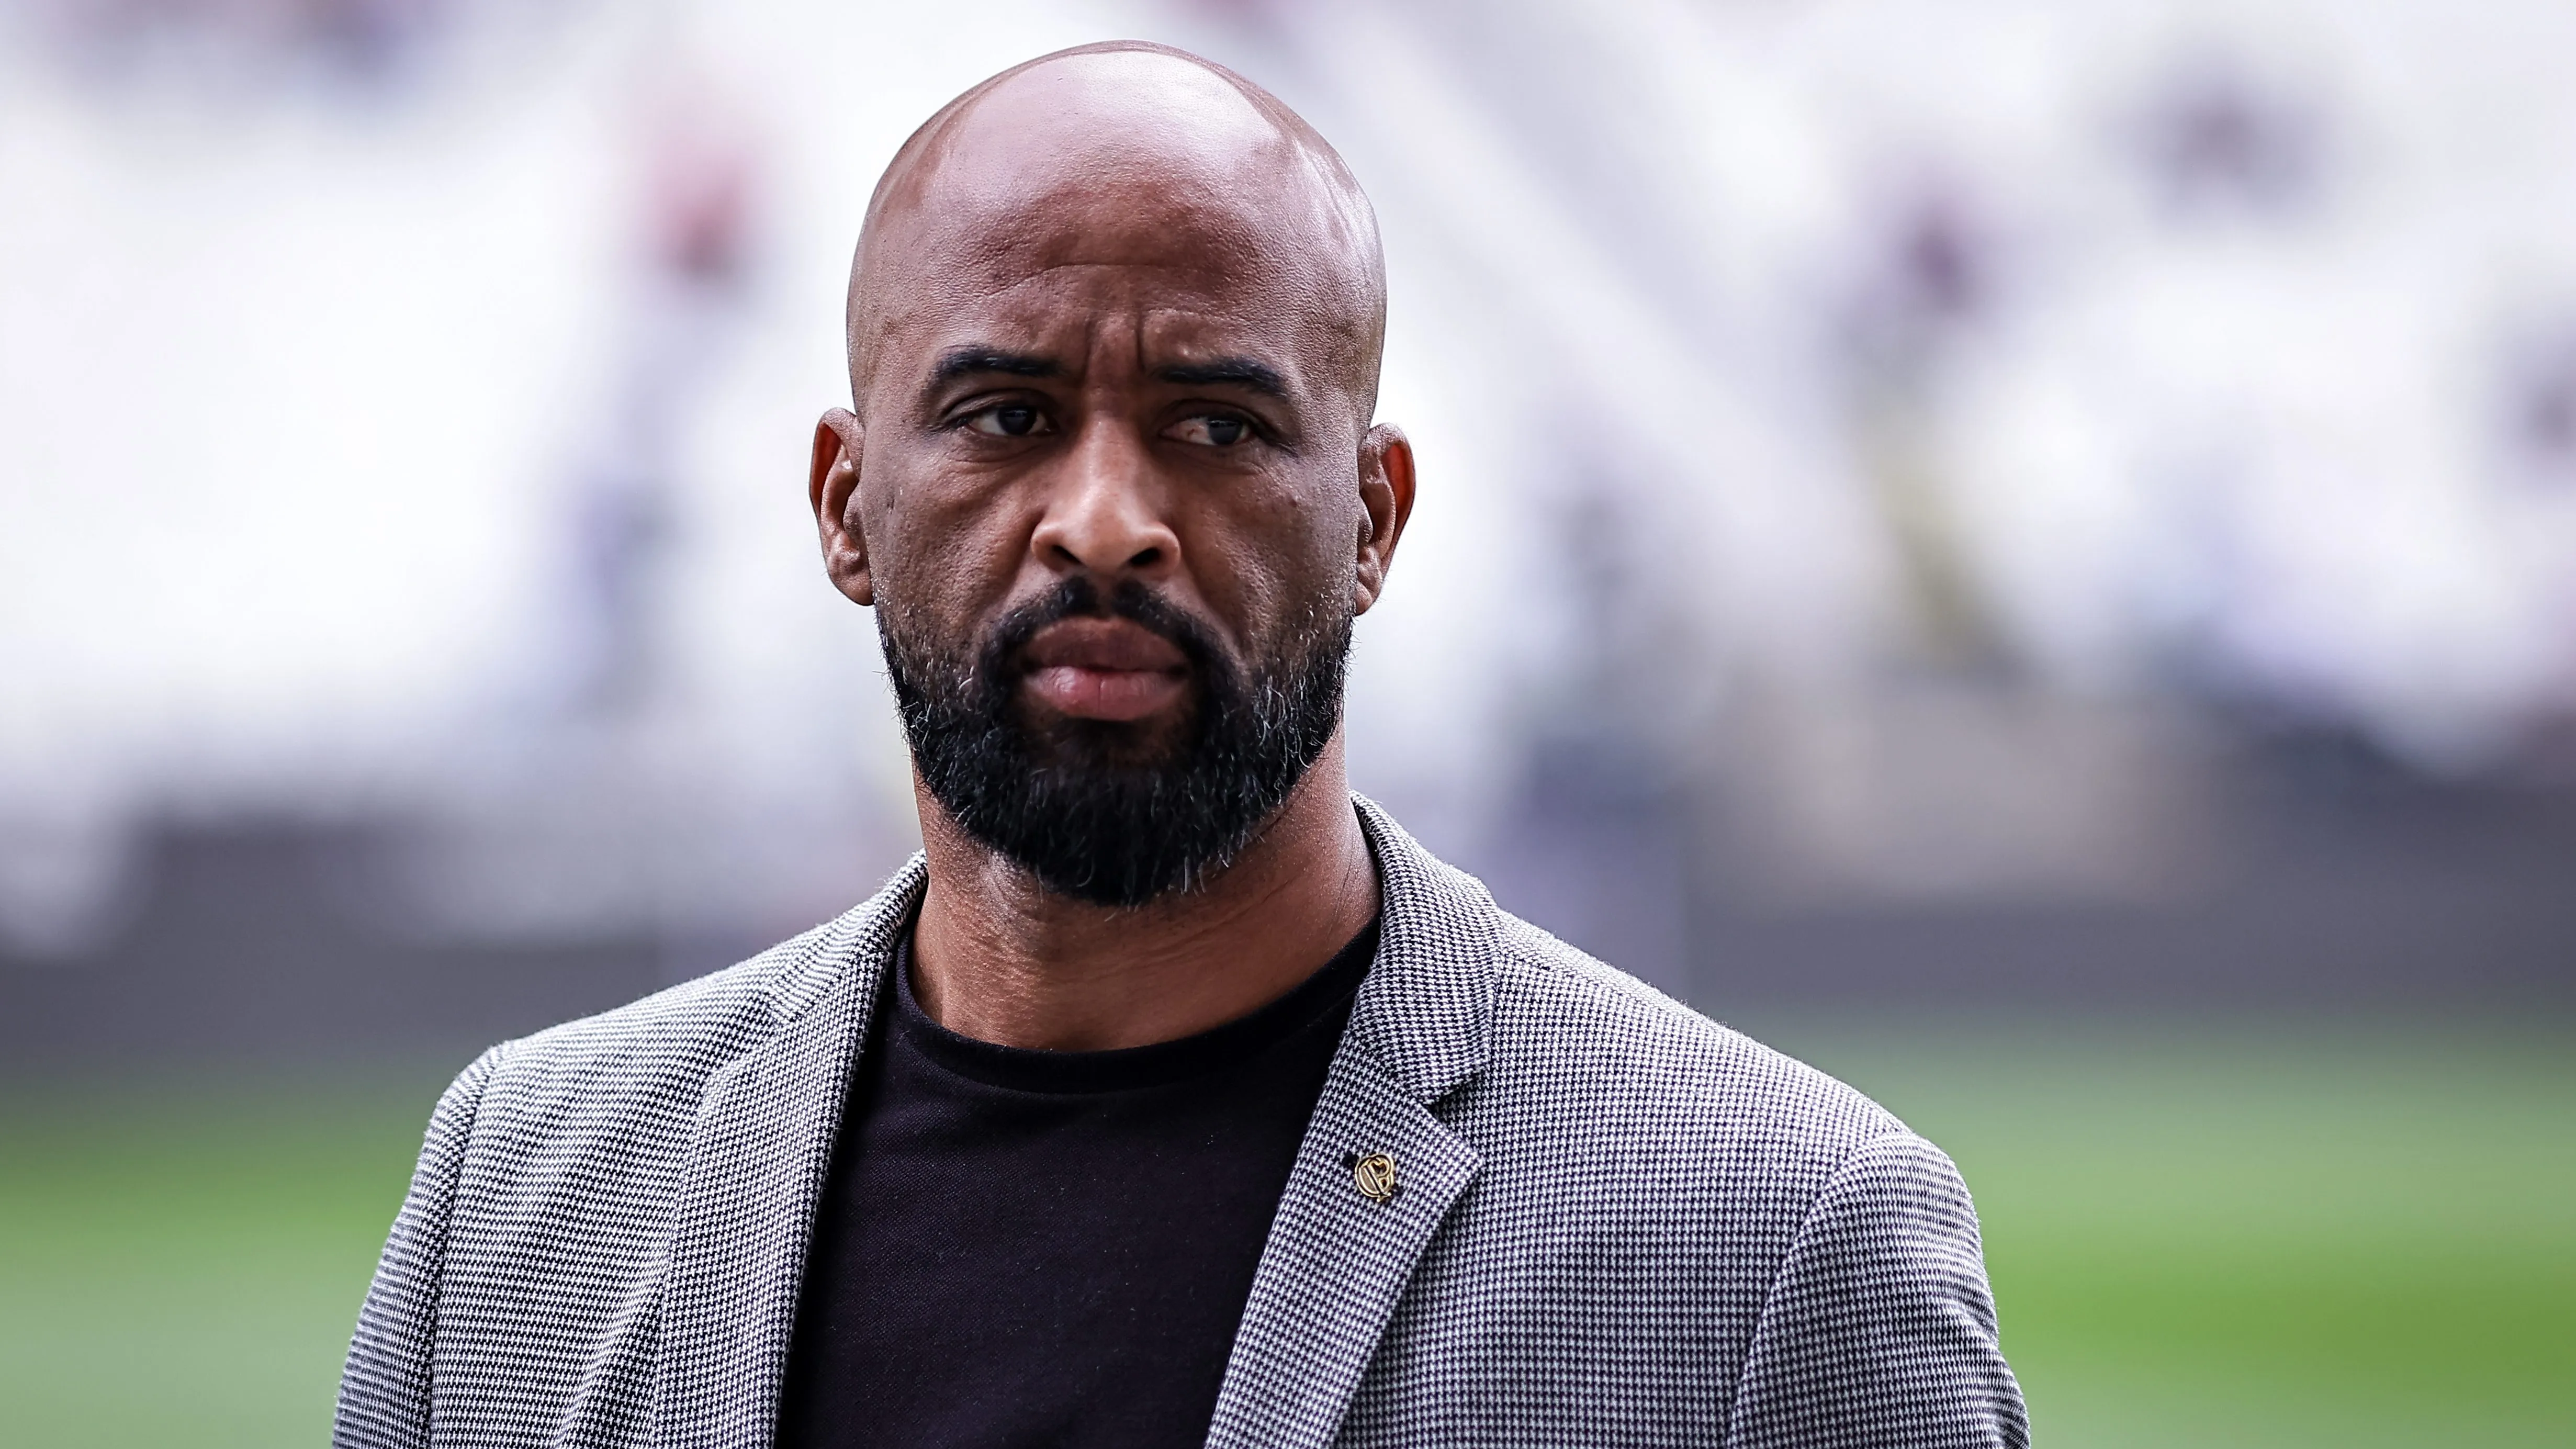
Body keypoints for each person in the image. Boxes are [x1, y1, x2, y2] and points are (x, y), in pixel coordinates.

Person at [334, 41, 2025, 1449]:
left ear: (1374, 518)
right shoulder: (520, 1196)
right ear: (847, 509)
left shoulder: (1782, 1247)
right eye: (1008, 417)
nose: (1106, 523)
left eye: (1217, 425)